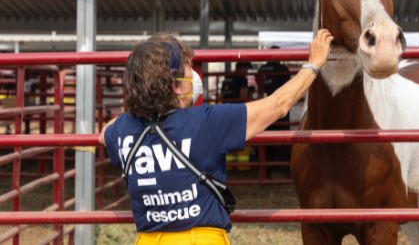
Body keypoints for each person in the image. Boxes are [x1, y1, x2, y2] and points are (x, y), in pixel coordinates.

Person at [98, 30, 332, 245]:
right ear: (176, 85)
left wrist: (140, 104)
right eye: (190, 68)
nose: (195, 74)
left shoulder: (122, 131)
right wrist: (313, 64)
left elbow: (104, 134)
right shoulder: (206, 122)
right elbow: (278, 106)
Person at [256, 47, 292, 177]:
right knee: (283, 138)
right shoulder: (283, 70)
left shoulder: (261, 70)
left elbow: (259, 89)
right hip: (282, 105)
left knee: (267, 138)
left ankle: (266, 171)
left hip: (265, 106)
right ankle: (284, 168)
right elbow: (289, 87)